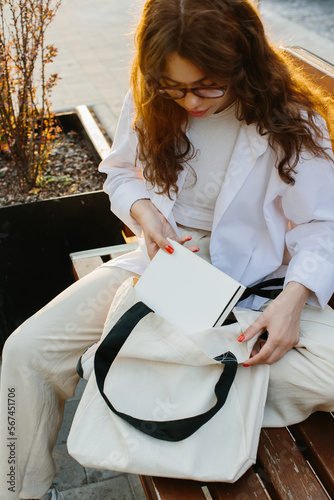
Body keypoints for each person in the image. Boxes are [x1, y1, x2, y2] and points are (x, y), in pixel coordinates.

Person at [1, 0, 334, 498]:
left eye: (207, 86)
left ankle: (147, 368)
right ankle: (20, 489)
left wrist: (292, 301)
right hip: (166, 268)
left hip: (256, 281)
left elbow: (323, 223)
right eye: (175, 87)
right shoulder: (154, 96)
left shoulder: (292, 119)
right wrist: (146, 215)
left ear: (244, 61)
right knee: (24, 353)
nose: (191, 103)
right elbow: (119, 173)